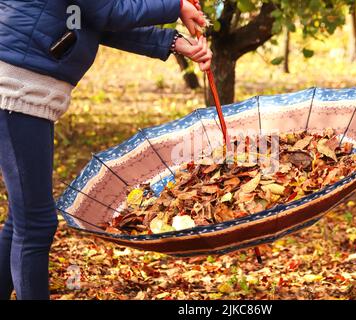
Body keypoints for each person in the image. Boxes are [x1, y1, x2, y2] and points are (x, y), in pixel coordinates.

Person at [0, 0, 212, 300]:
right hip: (17, 88)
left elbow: (99, 22)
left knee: (23, 219)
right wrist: (175, 6)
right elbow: (108, 11)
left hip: (28, 92)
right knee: (36, 224)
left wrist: (176, 43)